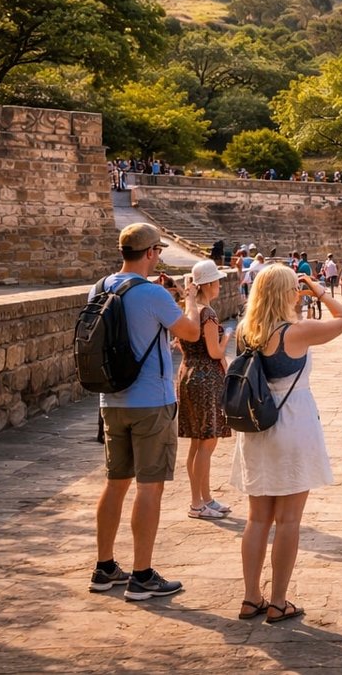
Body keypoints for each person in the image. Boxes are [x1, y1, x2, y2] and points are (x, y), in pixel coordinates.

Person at [230, 264, 342, 624]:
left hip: (256, 428)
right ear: (287, 292)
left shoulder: (245, 332)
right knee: (288, 520)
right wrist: (319, 289)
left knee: (256, 519)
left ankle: (251, 597)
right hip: (292, 424)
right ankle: (278, 600)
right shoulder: (296, 332)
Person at [90, 224, 202, 601]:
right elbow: (189, 332)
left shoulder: (100, 287)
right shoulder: (153, 293)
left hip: (111, 399)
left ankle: (104, 568)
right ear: (151, 253)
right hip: (150, 401)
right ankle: (141, 575)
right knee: (149, 486)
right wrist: (188, 299)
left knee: (114, 482)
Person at [176, 260, 233, 521]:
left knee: (197, 443)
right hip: (206, 378)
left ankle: (203, 498)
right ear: (209, 284)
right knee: (206, 443)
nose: (220, 285)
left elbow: (182, 344)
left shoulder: (188, 311)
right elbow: (215, 352)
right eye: (217, 281)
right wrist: (227, 337)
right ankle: (198, 503)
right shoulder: (207, 314)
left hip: (187, 374)